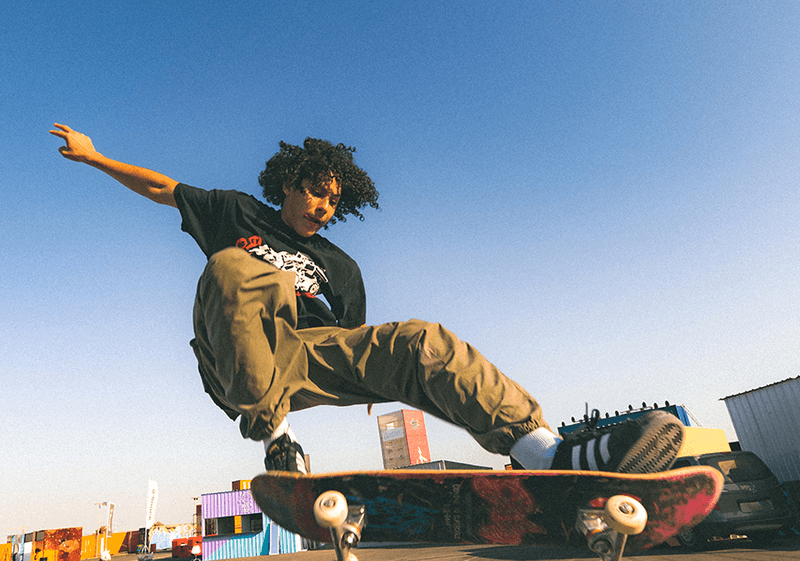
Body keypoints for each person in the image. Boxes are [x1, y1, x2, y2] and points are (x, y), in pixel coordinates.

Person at [51, 123, 685, 475]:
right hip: (243, 346)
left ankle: (546, 456)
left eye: (333, 202)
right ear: (287, 185)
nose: (322, 207)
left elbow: (357, 347)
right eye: (313, 192)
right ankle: (277, 439)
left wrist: (400, 370)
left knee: (423, 339)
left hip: (314, 355)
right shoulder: (237, 211)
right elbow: (165, 188)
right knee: (239, 269)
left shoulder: (341, 267)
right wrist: (96, 157)